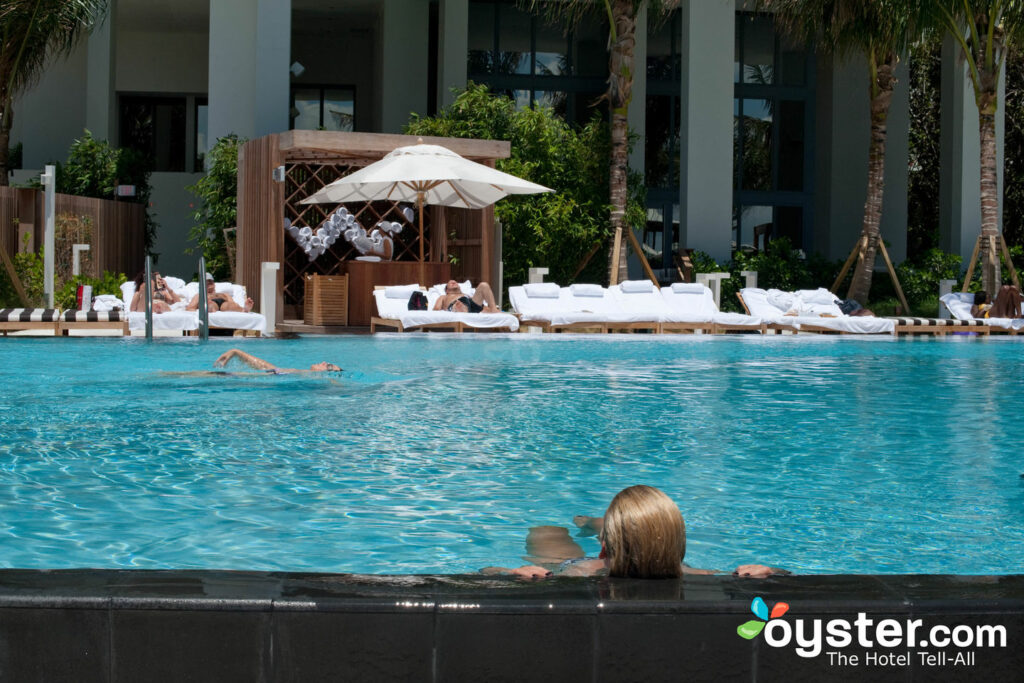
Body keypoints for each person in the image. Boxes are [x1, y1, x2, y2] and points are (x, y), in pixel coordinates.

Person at [483, 485, 784, 579]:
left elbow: (483, 573)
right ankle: (597, 522)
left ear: (604, 544)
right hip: (632, 552)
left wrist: (508, 572)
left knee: (546, 532)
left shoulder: (580, 573)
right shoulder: (697, 576)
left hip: (583, 563)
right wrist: (775, 570)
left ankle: (595, 523)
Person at [213, 348, 341, 374]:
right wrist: (237, 352)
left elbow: (268, 369)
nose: (324, 362)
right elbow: (271, 369)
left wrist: (238, 353)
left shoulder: (307, 376)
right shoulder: (299, 373)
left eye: (329, 366)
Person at [188, 274, 254, 312]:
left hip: (224, 303)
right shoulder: (199, 295)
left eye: (210, 282)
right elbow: (190, 308)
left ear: (214, 284)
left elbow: (233, 303)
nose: (209, 285)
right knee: (212, 305)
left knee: (229, 305)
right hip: (210, 302)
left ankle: (244, 309)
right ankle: (208, 308)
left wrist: (236, 306)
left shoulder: (224, 294)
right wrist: (197, 309)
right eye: (206, 283)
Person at [433, 279, 499, 313]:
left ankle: (494, 310)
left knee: (484, 285)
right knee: (460, 305)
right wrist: (447, 309)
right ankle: (460, 309)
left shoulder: (466, 295)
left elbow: (483, 307)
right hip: (456, 303)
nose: (454, 282)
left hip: (471, 304)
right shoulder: (443, 296)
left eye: (455, 282)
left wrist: (490, 309)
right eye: (451, 283)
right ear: (447, 291)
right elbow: (436, 308)